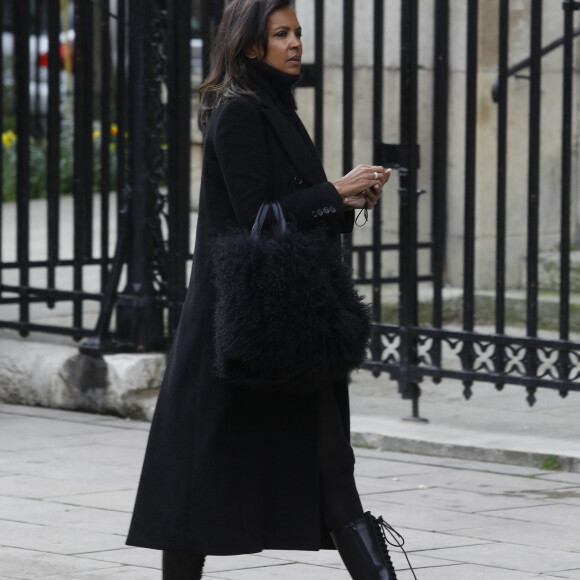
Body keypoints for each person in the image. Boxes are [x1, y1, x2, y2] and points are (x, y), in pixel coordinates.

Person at [126, 1, 412, 579]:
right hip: (238, 322)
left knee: (333, 462)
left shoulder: (278, 109)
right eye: (281, 34)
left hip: (289, 322)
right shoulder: (237, 114)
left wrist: (344, 200)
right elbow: (256, 216)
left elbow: (290, 212)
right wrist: (334, 191)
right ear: (251, 45)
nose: (295, 43)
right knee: (198, 477)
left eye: (298, 33)